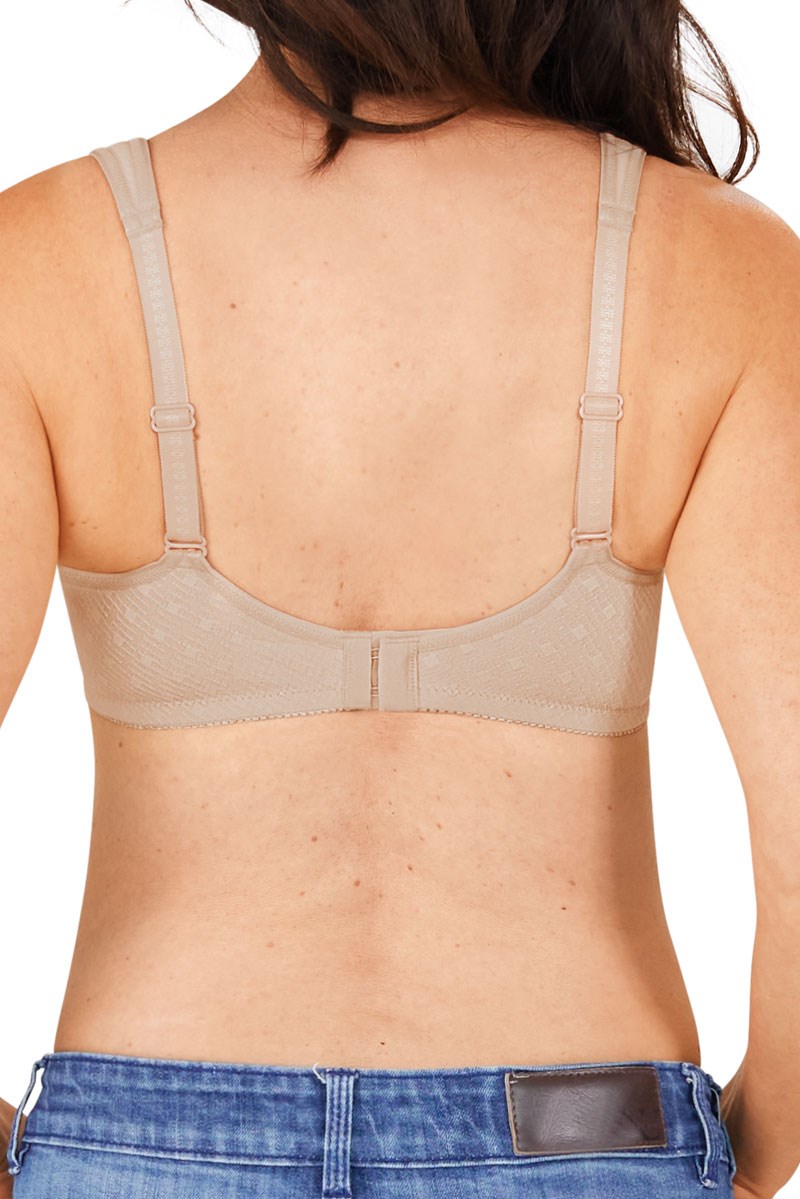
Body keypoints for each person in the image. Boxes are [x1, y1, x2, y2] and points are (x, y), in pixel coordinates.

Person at [1, 2, 797, 1196]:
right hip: (584, 1138)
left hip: (142, 1140)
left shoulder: (41, 259)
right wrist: (759, 1142)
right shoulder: (715, 264)